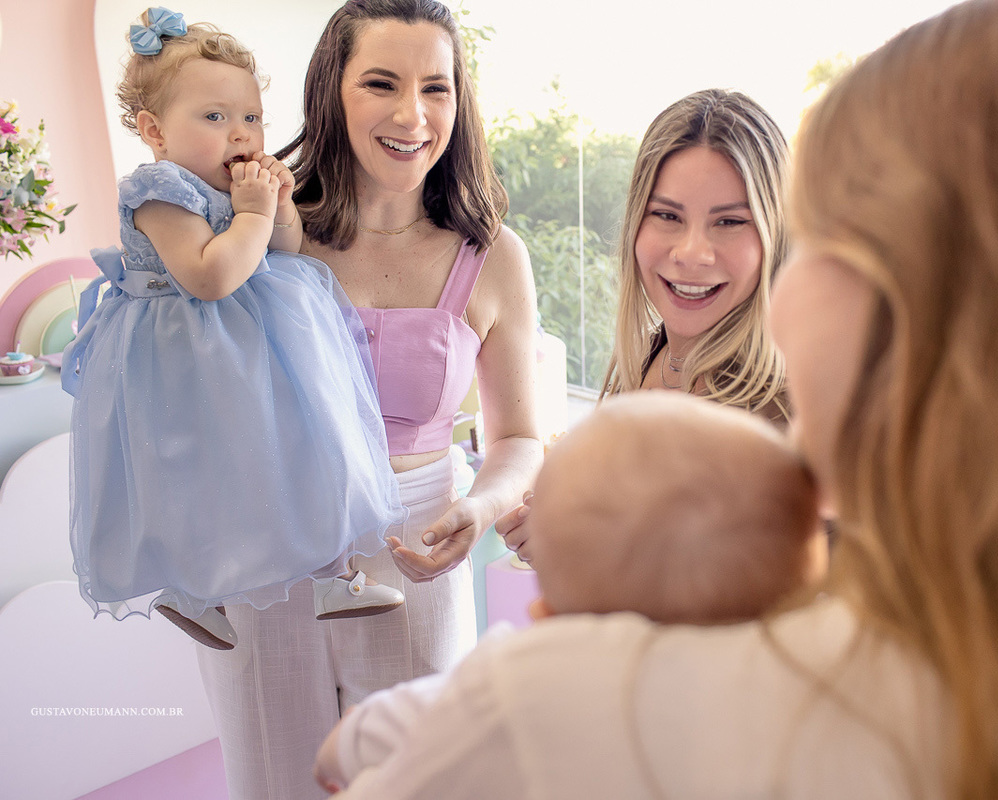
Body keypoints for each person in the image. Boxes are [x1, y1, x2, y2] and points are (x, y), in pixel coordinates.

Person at [322, 0, 998, 796]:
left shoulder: (571, 692)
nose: (694, 254)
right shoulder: (654, 368)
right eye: (665, 216)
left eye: (825, 239)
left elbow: (363, 758)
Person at [194, 2, 542, 797]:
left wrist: (480, 508)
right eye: (380, 82)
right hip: (263, 552)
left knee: (413, 780)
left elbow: (520, 436)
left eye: (437, 88)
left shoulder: (493, 256)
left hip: (418, 554)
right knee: (271, 779)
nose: (412, 114)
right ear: (332, 91)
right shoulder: (264, 230)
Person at [62, 7, 407, 653]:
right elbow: (209, 277)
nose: (241, 134)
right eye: (215, 117)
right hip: (185, 360)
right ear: (155, 130)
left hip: (255, 353)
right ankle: (193, 593)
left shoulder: (239, 182)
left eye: (251, 117)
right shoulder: (159, 190)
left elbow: (287, 249)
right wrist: (249, 212)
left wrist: (273, 206)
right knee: (203, 477)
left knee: (307, 449)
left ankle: (333, 573)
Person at [312, 391, 826, 793]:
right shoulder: (795, 709)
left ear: (546, 610)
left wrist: (355, 735)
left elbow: (347, 751)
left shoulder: (515, 683)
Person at [499, 89, 793, 564]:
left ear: (773, 236)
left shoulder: (783, 417)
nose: (692, 253)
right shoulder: (651, 358)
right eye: (668, 215)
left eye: (730, 222)